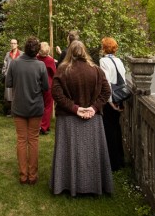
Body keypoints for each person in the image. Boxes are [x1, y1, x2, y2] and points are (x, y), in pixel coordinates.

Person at [50, 40, 113, 196]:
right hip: (92, 118)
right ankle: (94, 186)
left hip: (69, 119)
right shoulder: (97, 70)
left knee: (69, 154)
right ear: (84, 51)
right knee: (91, 154)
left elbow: (56, 94)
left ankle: (67, 185)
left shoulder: (63, 70)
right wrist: (93, 108)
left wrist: (75, 108)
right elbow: (107, 92)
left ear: (70, 52)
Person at [5, 36, 49, 184]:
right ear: (37, 51)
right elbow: (46, 87)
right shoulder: (40, 66)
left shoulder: (15, 63)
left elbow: (9, 83)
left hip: (19, 107)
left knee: (22, 140)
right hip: (36, 107)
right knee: (33, 140)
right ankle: (32, 176)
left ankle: (24, 175)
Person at [99, 36, 126, 171]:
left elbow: (106, 83)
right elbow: (123, 81)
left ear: (104, 48)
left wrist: (110, 102)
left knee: (109, 130)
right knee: (117, 128)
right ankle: (120, 159)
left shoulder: (103, 61)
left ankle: (112, 163)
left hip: (111, 100)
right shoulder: (119, 60)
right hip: (119, 98)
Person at [37, 42, 57, 135]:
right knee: (48, 106)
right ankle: (44, 127)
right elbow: (54, 73)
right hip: (48, 85)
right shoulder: (50, 60)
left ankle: (44, 125)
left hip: (37, 84)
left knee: (40, 105)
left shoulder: (36, 58)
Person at [2, 38, 21, 115]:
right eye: (11, 43)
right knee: (9, 95)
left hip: (18, 78)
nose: (13, 45)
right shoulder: (7, 54)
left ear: (17, 44)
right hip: (9, 77)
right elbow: (4, 65)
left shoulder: (21, 54)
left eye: (14, 43)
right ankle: (10, 111)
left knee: (18, 94)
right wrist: (5, 73)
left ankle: (18, 111)